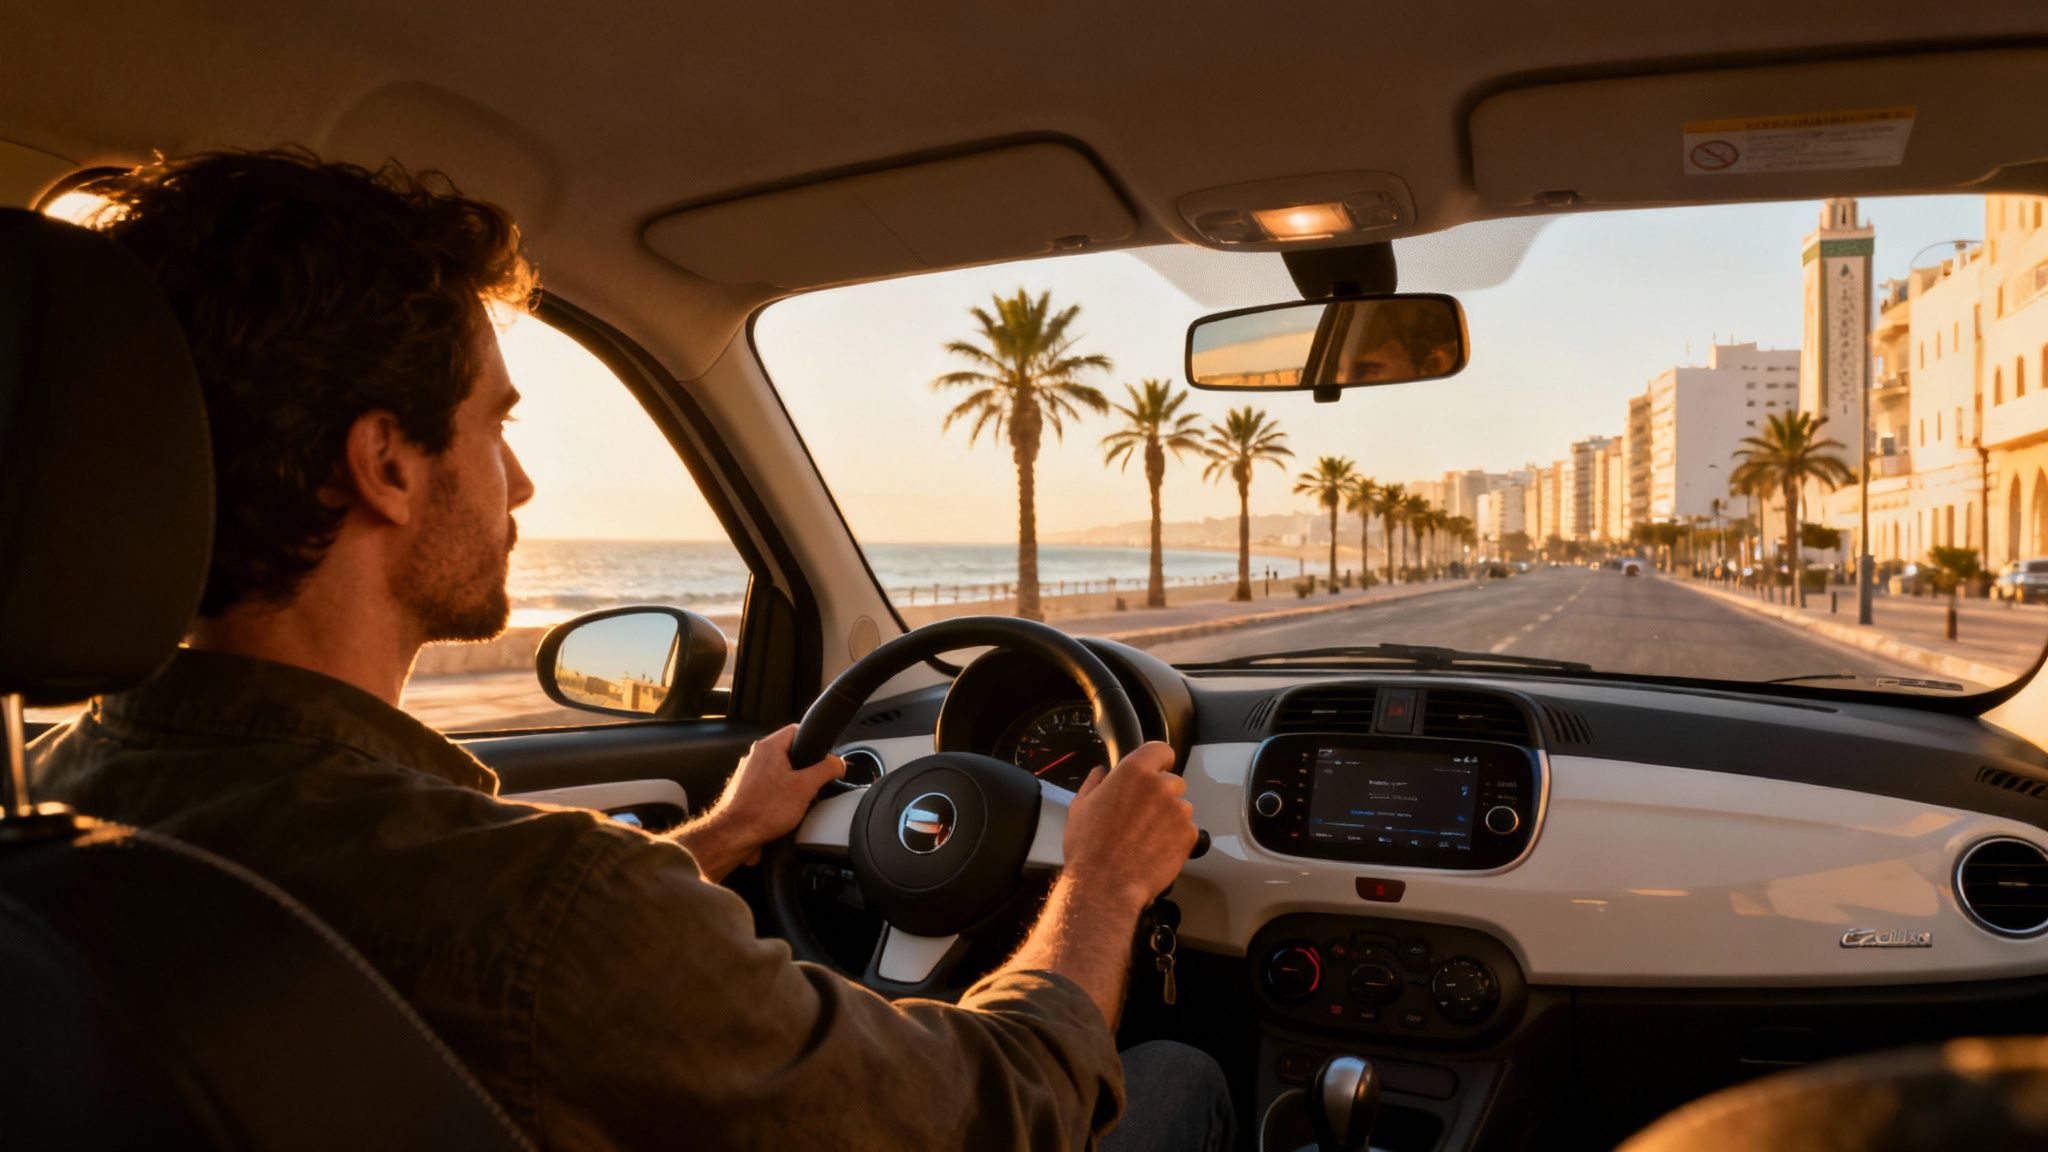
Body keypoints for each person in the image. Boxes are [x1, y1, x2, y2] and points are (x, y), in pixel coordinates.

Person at [28, 150, 1233, 1151]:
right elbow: (1003, 1107)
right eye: (494, 424)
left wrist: (723, 834)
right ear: (386, 463)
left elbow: (517, 968)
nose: (520, 481)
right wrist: (1099, 882)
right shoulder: (542, 904)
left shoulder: (58, 804)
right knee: (1176, 1076)